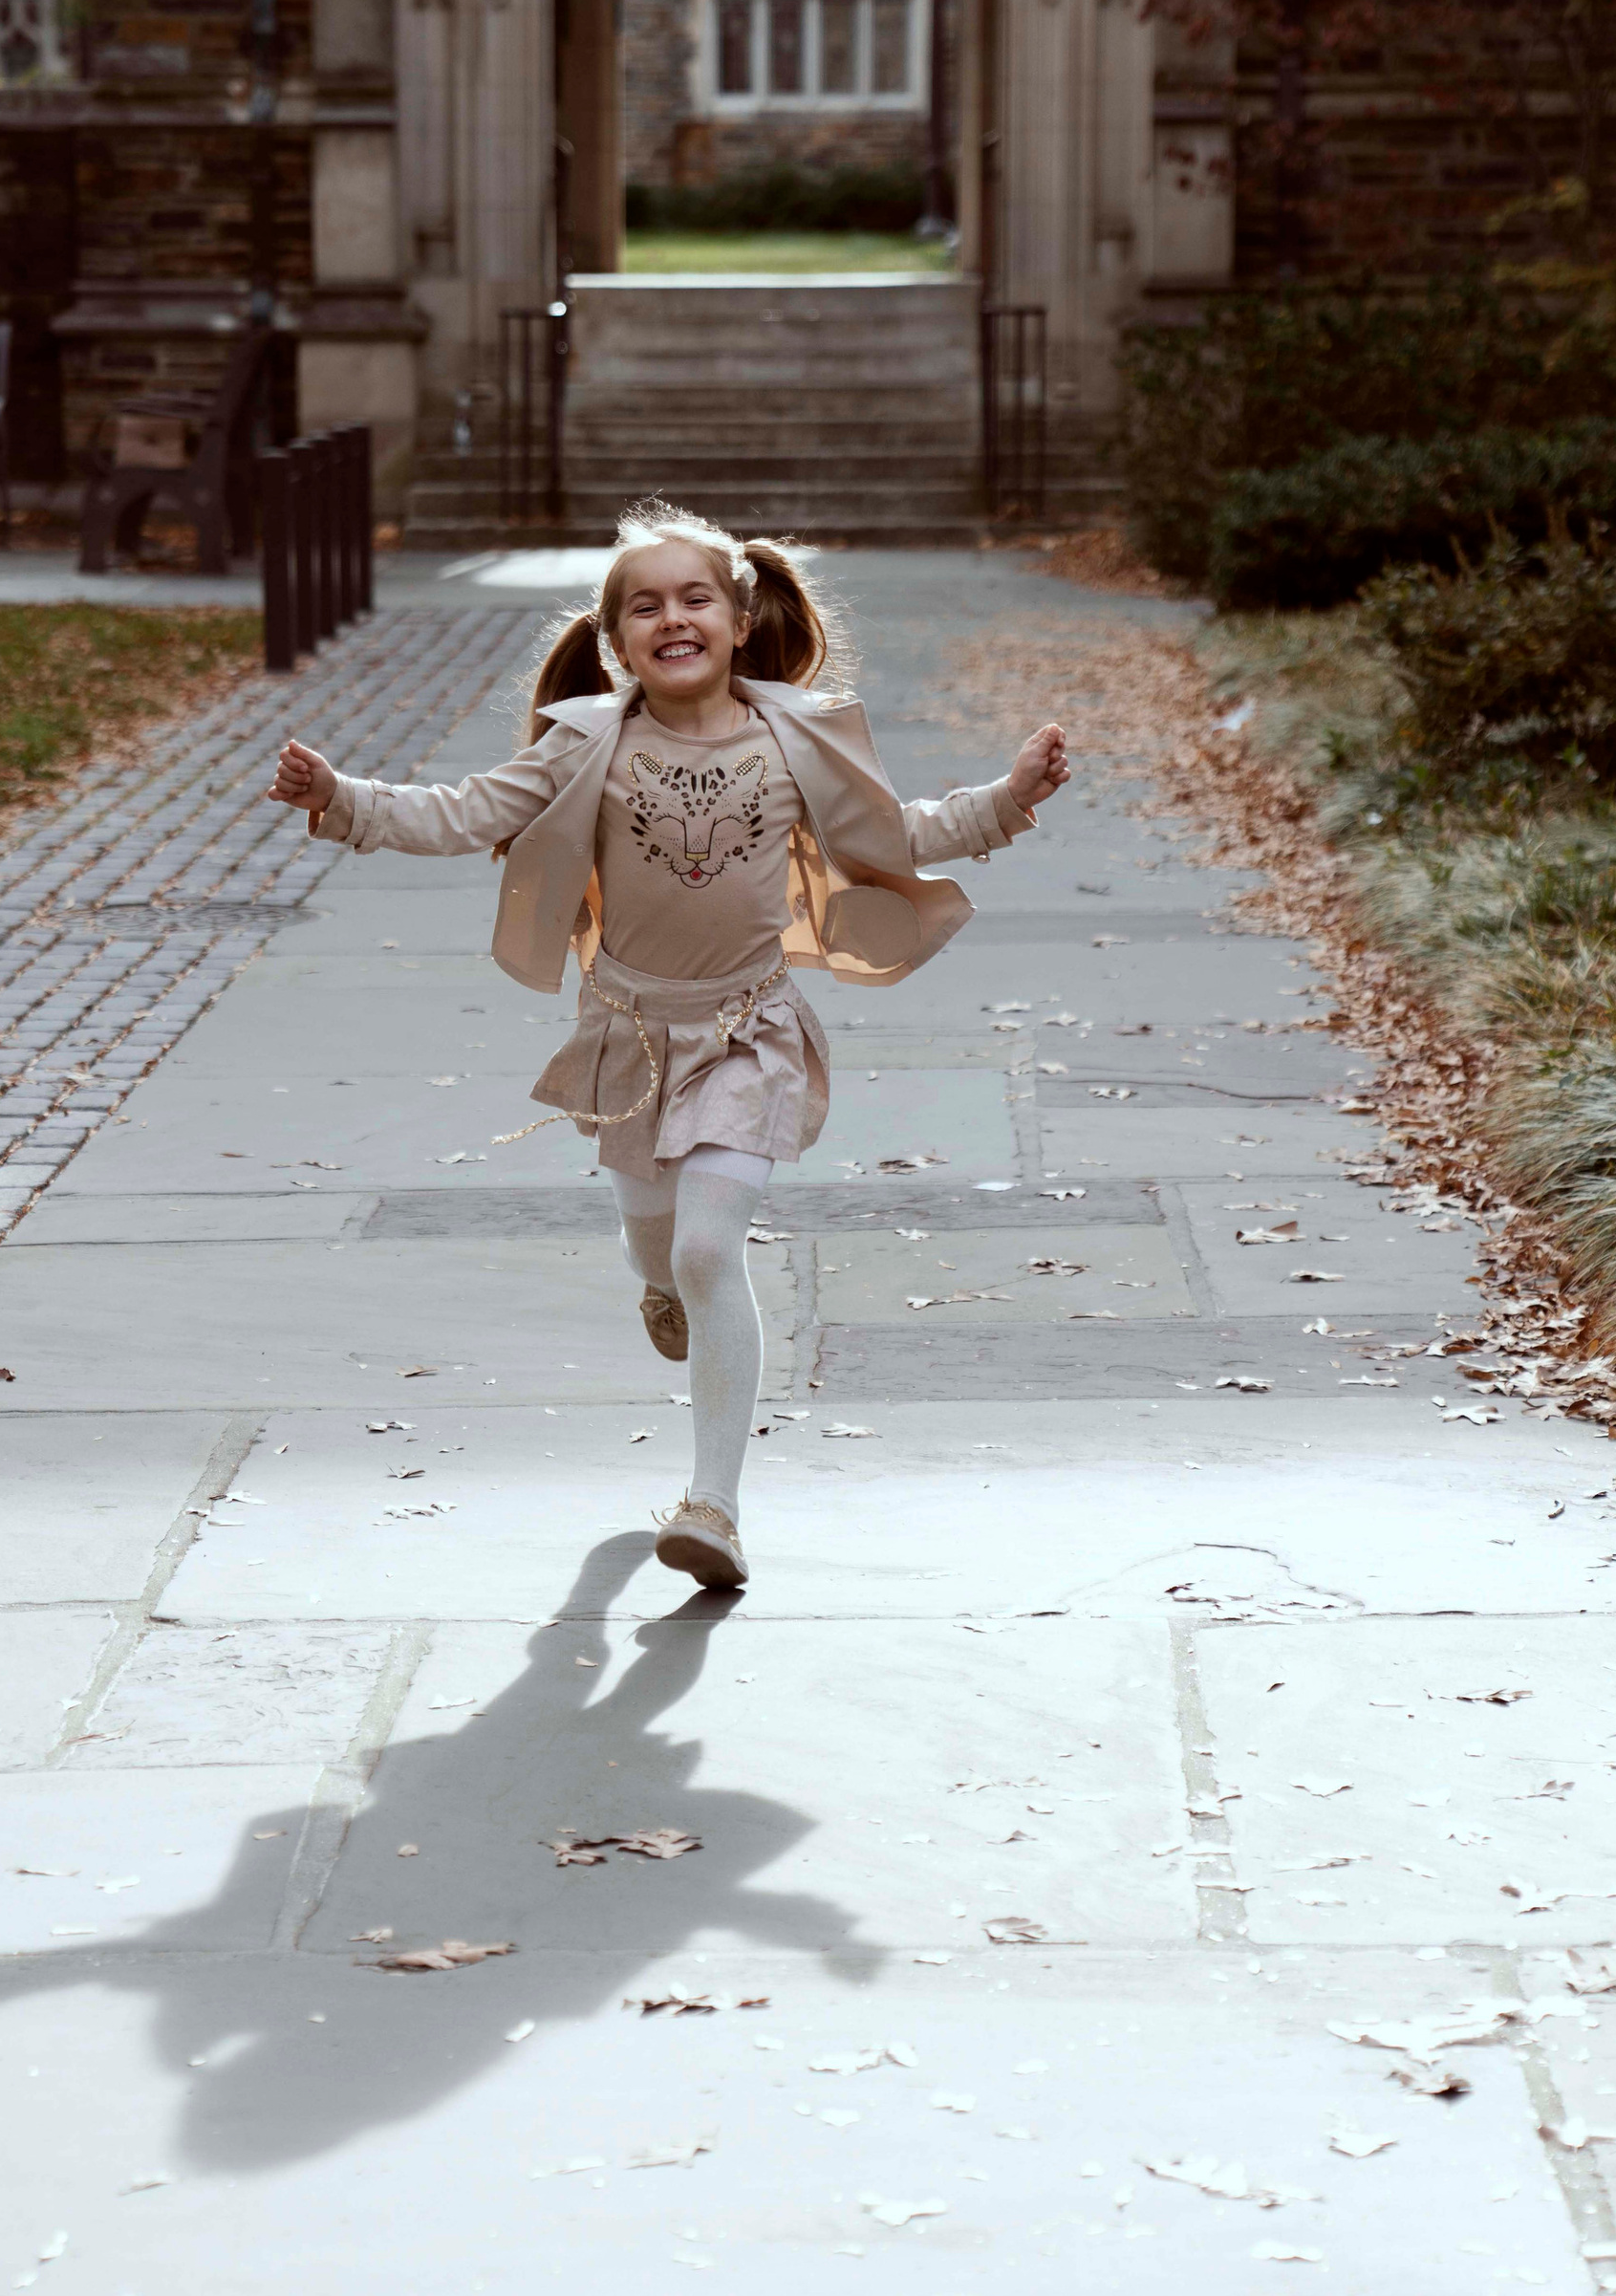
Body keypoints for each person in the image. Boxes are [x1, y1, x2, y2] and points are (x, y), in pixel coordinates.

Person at [268, 506, 1067, 1592]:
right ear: (615, 642)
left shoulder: (793, 741)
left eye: (695, 599)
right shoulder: (585, 745)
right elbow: (463, 813)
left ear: (740, 622)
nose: (672, 618)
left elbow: (897, 831)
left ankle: (713, 1508)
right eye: (644, 606)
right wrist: (341, 799)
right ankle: (657, 1286)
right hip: (629, 1034)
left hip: (748, 1032)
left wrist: (1007, 800)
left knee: (707, 1250)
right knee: (658, 1247)